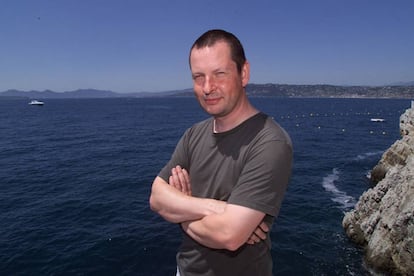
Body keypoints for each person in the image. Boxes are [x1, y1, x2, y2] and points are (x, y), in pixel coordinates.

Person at [149, 29, 293, 276]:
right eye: (198, 77)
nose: (207, 87)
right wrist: (216, 208)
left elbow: (228, 236)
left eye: (219, 74)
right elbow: (156, 198)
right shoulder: (194, 135)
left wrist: (180, 212)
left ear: (243, 73)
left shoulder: (270, 142)